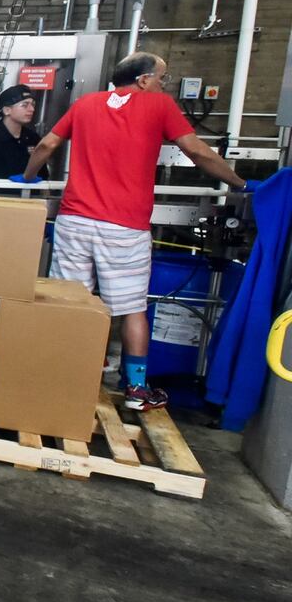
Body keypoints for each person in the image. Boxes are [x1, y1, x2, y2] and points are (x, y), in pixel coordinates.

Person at [17, 51, 251, 410]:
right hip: (124, 228)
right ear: (143, 80)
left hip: (75, 221)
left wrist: (29, 177)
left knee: (69, 301)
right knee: (130, 309)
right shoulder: (158, 106)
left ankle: (61, 376)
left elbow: (48, 144)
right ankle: (138, 391)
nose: (163, 84)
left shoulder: (85, 104)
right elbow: (198, 152)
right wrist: (238, 182)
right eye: (162, 77)